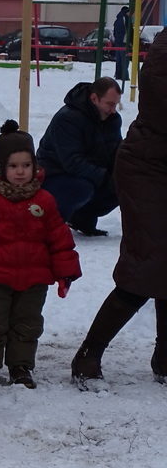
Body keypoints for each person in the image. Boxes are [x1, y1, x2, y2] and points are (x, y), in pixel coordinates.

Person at [71, 28, 167, 390]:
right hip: (148, 167)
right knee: (149, 260)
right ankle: (89, 353)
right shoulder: (165, 51)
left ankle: (165, 357)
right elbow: (160, 96)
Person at [0, 120, 82, 391]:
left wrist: (66, 271)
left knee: (27, 324)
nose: (21, 171)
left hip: (34, 279)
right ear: (1, 168)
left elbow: (59, 238)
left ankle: (21, 366)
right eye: (14, 166)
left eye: (26, 165)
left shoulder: (44, 201)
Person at [36, 77, 123, 236]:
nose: (113, 110)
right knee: (82, 188)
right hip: (54, 175)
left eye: (116, 105)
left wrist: (122, 174)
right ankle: (50, 225)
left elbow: (115, 153)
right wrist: (105, 178)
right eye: (110, 104)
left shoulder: (112, 120)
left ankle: (82, 217)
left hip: (87, 175)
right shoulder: (68, 118)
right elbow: (72, 162)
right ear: (94, 98)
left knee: (124, 184)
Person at [113, 5, 130, 81]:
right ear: (126, 12)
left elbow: (115, 32)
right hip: (124, 42)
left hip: (118, 43)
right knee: (125, 60)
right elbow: (127, 31)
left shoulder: (117, 20)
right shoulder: (125, 19)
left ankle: (118, 75)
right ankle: (125, 76)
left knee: (119, 60)